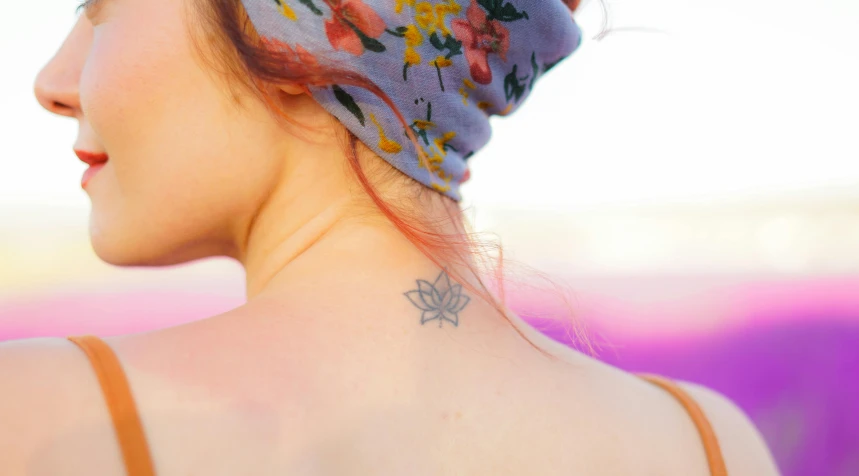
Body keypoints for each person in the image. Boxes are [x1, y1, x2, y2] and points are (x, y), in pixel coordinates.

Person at [2, 0, 780, 474]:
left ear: (288, 34)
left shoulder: (38, 417)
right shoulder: (710, 443)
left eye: (99, 6)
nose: (52, 82)